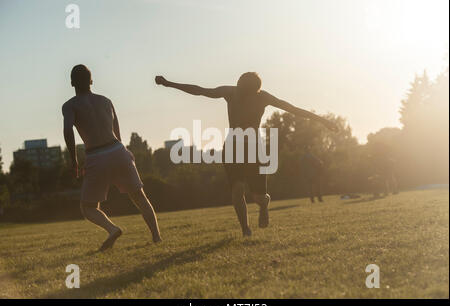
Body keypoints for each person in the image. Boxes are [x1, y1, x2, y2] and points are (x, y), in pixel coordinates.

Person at [155, 72, 338, 236]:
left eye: (243, 90)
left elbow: (291, 108)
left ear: (254, 91)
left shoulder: (263, 97)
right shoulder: (230, 92)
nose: (239, 93)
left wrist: (322, 120)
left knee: (259, 197)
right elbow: (200, 90)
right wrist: (169, 83)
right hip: (232, 147)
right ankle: (245, 229)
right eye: (238, 86)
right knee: (237, 190)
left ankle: (264, 207)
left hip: (254, 148)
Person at [62, 64, 161, 251]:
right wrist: (122, 151)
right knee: (140, 197)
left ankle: (112, 229)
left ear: (72, 83)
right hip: (118, 150)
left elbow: (68, 130)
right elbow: (117, 131)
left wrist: (74, 159)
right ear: (91, 81)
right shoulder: (106, 101)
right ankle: (156, 237)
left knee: (88, 207)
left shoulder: (70, 106)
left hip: (96, 155)